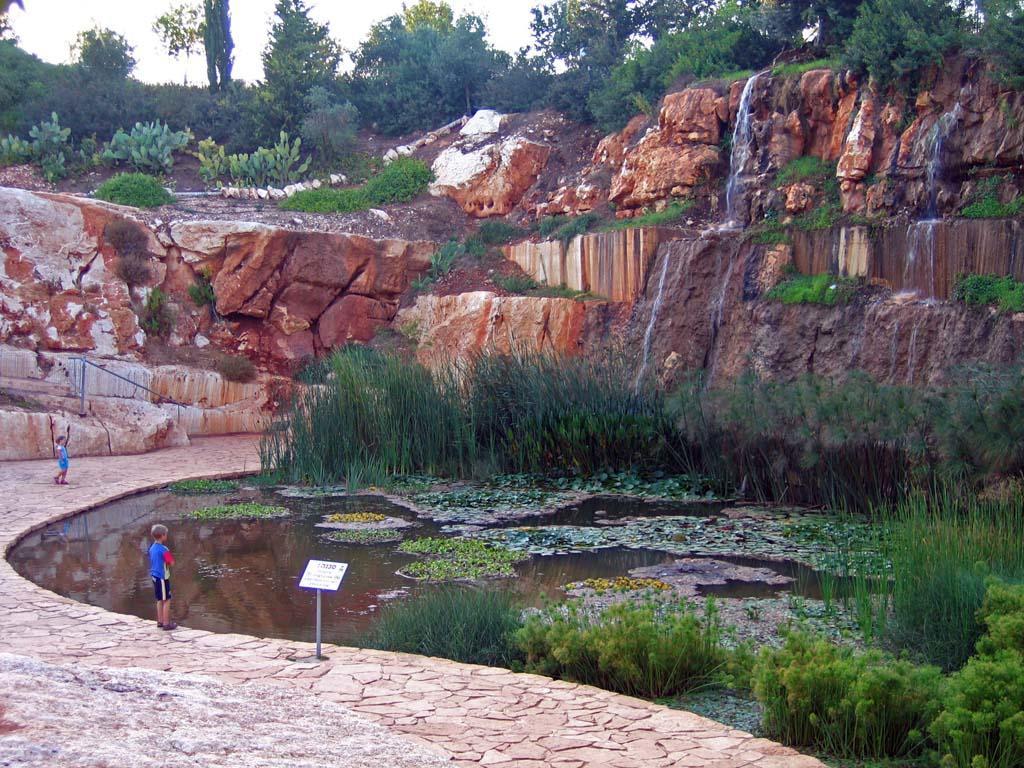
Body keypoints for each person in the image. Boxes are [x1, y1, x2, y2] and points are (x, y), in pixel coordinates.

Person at [148, 524, 177, 630]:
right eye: (166, 534)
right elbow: (171, 562)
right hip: (162, 577)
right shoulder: (164, 549)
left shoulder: (152, 548)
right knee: (167, 600)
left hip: (154, 576)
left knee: (159, 599)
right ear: (163, 536)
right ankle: (166, 623)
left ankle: (159, 621)